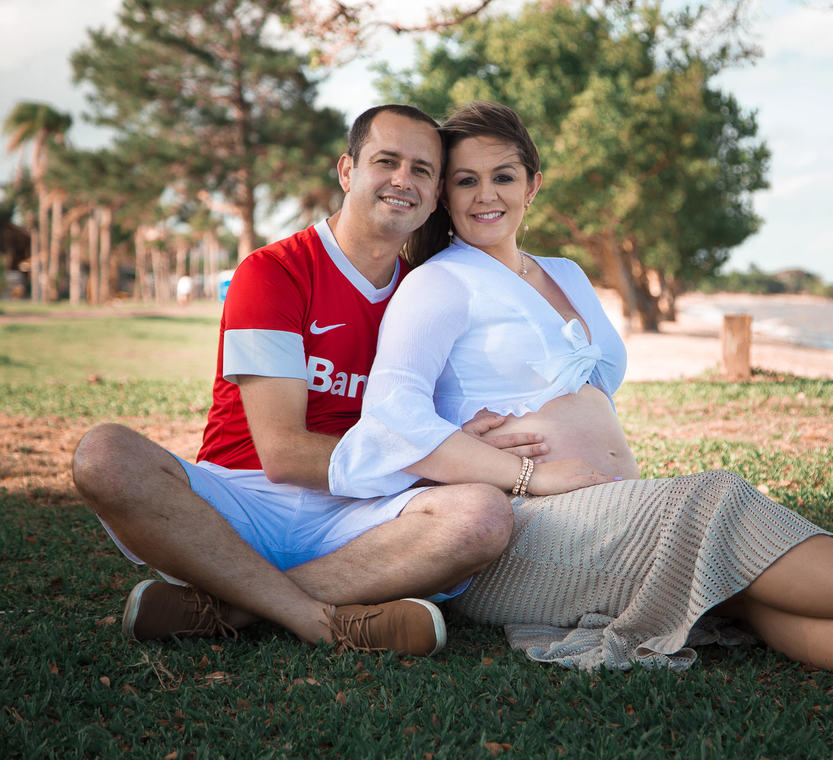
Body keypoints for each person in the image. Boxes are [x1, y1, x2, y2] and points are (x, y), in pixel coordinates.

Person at [328, 100, 833, 696]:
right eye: (464, 180)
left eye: (502, 175)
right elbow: (392, 418)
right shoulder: (437, 284)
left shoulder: (567, 273)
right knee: (715, 500)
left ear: (533, 183)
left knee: (741, 587)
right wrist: (525, 472)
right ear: (443, 197)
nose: (485, 194)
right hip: (520, 536)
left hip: (605, 513)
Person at [71, 104, 549, 656]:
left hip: (361, 521)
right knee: (103, 453)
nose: (403, 179)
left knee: (481, 517)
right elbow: (284, 454)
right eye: (386, 161)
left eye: (422, 170)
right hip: (242, 505)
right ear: (347, 171)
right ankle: (326, 621)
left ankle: (230, 611)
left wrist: (467, 445)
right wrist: (439, 456)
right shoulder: (273, 271)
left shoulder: (433, 291)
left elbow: (438, 423)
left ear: (437, 190)